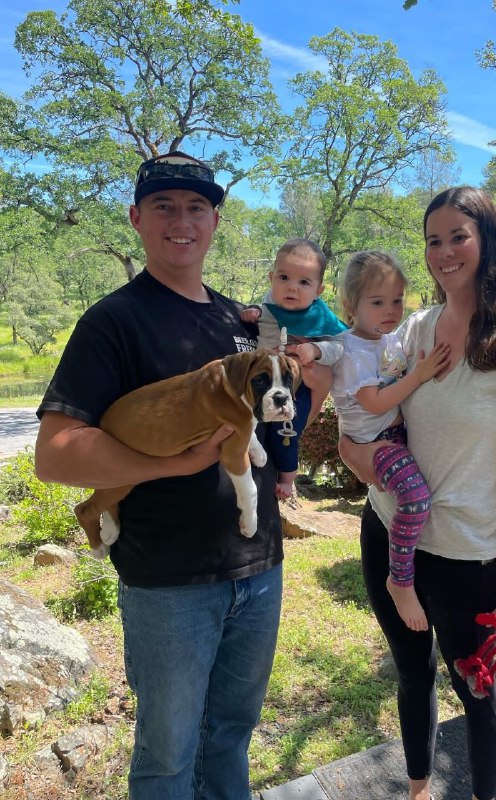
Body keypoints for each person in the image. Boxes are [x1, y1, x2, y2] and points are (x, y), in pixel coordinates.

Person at [34, 150, 283, 800]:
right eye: (164, 206)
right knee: (169, 757)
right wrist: (172, 464)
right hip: (170, 584)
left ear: (216, 221)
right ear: (136, 219)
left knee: (230, 737)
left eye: (196, 207)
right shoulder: (112, 322)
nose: (182, 220)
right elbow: (55, 453)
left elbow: (274, 415)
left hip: (260, 569)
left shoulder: (240, 322)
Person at [339, 187, 496, 800]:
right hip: (390, 531)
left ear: (487, 240)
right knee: (412, 675)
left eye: (458, 237)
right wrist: (352, 453)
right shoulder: (413, 330)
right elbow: (367, 414)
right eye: (433, 240)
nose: (444, 252)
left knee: (477, 691)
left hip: (469, 556)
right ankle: (418, 789)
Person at [331, 251, 450, 632]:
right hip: (377, 442)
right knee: (415, 501)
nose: (390, 311)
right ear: (351, 305)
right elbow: (374, 401)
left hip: (394, 436)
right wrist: (420, 375)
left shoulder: (388, 340)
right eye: (377, 302)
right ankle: (399, 579)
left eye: (397, 300)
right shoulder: (350, 350)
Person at [241, 238, 347, 499]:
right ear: (271, 278)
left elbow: (339, 347)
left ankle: (288, 476)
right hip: (263, 380)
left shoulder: (319, 318)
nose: (292, 287)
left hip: (295, 386)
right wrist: (253, 312)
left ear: (318, 290)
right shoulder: (269, 305)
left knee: (285, 429)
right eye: (284, 277)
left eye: (304, 282)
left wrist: (316, 350)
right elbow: (263, 316)